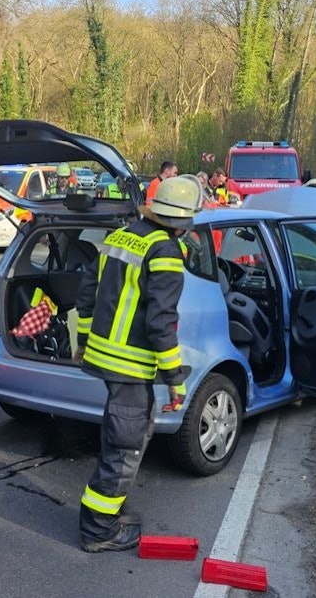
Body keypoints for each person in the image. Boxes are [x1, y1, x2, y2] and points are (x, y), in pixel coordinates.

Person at [74, 174, 204, 553]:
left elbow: (87, 293)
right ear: (184, 222)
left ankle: (108, 512)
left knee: (123, 437)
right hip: (130, 365)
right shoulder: (165, 252)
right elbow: (161, 322)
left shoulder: (119, 236)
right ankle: (98, 531)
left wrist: (83, 341)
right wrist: (175, 379)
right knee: (125, 446)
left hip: (104, 357)